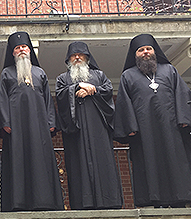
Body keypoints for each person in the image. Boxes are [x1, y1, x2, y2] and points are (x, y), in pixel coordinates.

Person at [114, 33, 191, 208]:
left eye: (148, 49)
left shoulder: (169, 70)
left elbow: (181, 93)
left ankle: (182, 199)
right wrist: (131, 127)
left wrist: (184, 119)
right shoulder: (128, 76)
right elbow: (124, 103)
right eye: (141, 50)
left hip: (173, 129)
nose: (145, 52)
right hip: (146, 133)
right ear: (135, 54)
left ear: (154, 51)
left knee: (179, 162)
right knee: (151, 165)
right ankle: (157, 202)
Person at [0, 31, 63, 211]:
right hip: (16, 129)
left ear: (30, 50)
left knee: (41, 162)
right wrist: (5, 121)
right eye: (18, 48)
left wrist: (51, 121)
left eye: (24, 47)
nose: (22, 50)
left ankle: (44, 201)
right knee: (18, 162)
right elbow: (2, 99)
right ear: (13, 53)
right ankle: (19, 203)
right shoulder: (7, 73)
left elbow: (48, 99)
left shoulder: (40, 73)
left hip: (39, 128)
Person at [56, 41, 123, 210]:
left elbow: (107, 91)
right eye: (73, 55)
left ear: (87, 57)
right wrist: (77, 87)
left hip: (98, 129)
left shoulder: (99, 75)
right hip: (76, 132)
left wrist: (93, 89)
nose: (77, 57)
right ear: (68, 59)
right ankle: (81, 203)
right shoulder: (62, 79)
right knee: (78, 165)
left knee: (104, 163)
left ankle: (109, 201)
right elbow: (60, 96)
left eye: (81, 55)